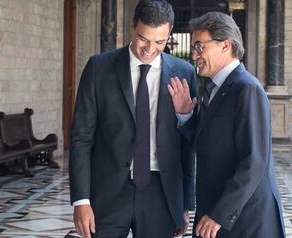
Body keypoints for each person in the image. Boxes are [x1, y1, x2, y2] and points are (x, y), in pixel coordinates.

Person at [69, 1, 197, 237]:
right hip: (108, 193)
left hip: (162, 192)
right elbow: (81, 138)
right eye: (143, 39)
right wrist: (81, 200)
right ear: (132, 27)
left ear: (169, 35)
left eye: (160, 42)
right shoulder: (98, 68)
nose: (150, 49)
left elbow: (187, 147)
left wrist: (186, 203)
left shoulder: (184, 72)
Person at [167, 12, 285, 238]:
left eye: (199, 47)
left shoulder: (246, 89)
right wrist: (184, 115)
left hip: (245, 219)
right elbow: (209, 142)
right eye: (193, 47)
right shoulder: (214, 88)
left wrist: (219, 214)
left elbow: (254, 161)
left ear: (225, 45)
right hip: (217, 210)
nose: (194, 55)